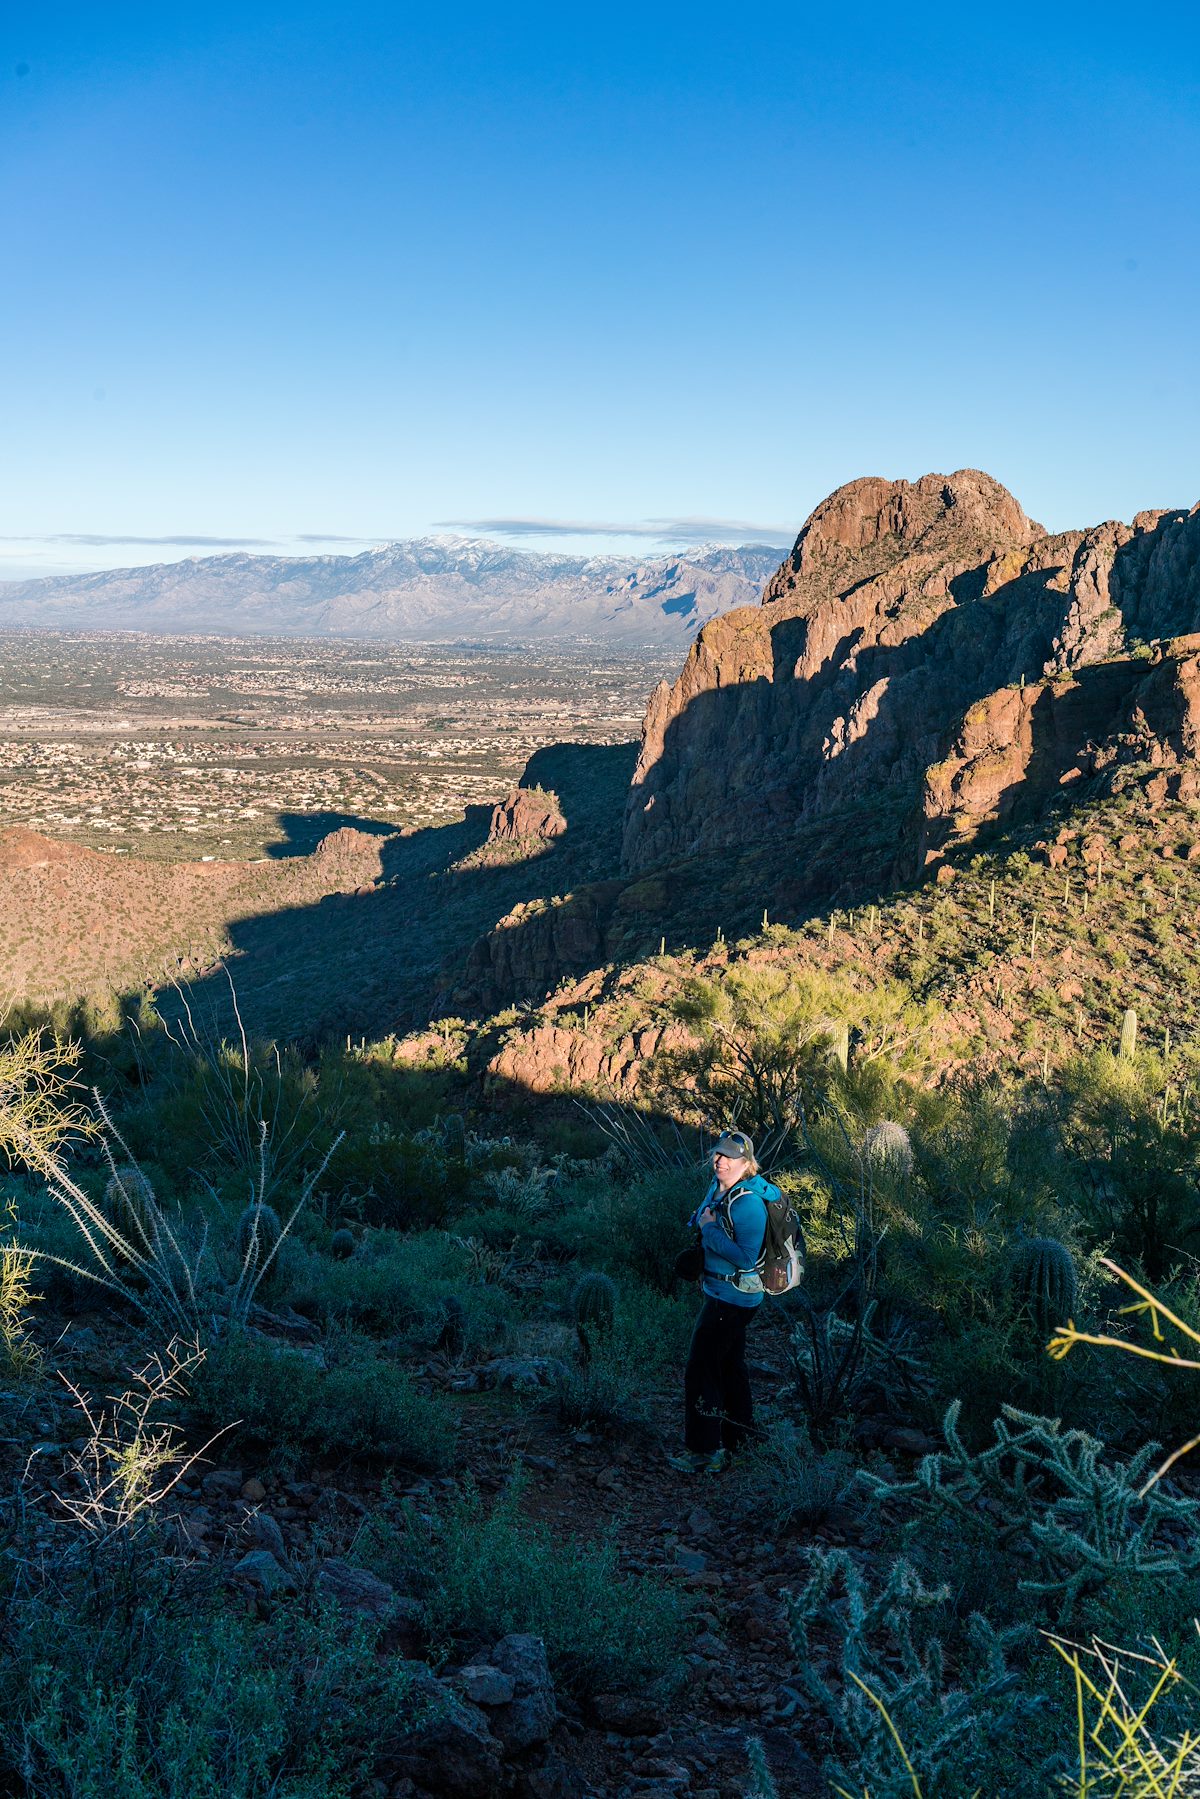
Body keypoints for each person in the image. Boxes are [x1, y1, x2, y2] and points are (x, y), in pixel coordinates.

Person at [668, 1129, 770, 1475]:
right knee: (730, 1368)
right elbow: (704, 1222)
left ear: (747, 1163)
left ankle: (703, 1452)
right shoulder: (719, 1188)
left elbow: (746, 1257)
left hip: (733, 1300)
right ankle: (739, 1445)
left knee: (701, 1371)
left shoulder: (748, 1203)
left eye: (729, 1156)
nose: (720, 1161)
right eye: (718, 1154)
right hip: (723, 1293)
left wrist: (709, 1229)